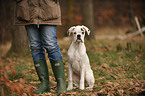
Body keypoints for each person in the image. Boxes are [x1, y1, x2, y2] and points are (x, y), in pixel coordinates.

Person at [14, 0, 67, 94]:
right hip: (27, 10)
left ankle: (61, 83)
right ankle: (44, 83)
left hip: (48, 9)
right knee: (35, 46)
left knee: (51, 45)